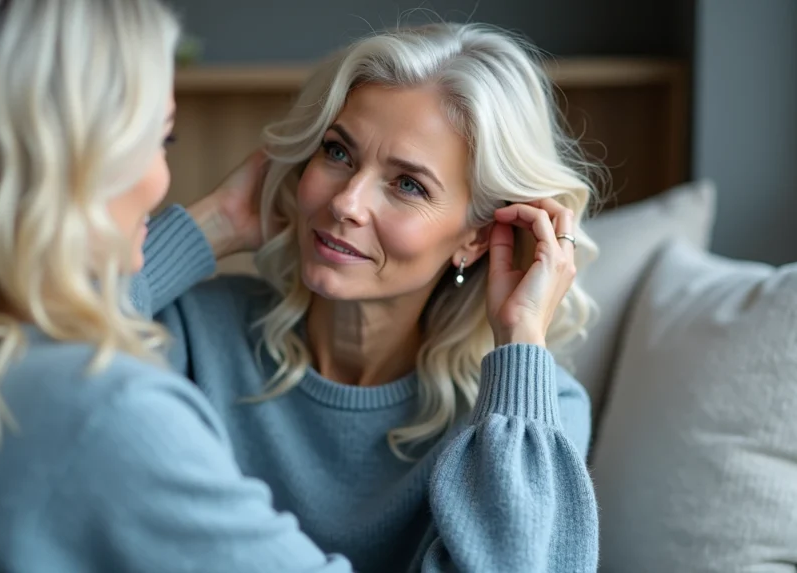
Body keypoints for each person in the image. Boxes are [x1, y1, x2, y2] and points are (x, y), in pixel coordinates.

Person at [137, 22, 601, 573]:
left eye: (409, 184)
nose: (346, 202)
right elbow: (34, 350)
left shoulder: (526, 413)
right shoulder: (193, 332)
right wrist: (215, 222)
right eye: (337, 152)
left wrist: (522, 335)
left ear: (476, 238)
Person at [0, 1, 356, 571]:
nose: (162, 181)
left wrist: (218, 224)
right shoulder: (107, 409)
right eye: (163, 140)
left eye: (410, 183)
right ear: (81, 157)